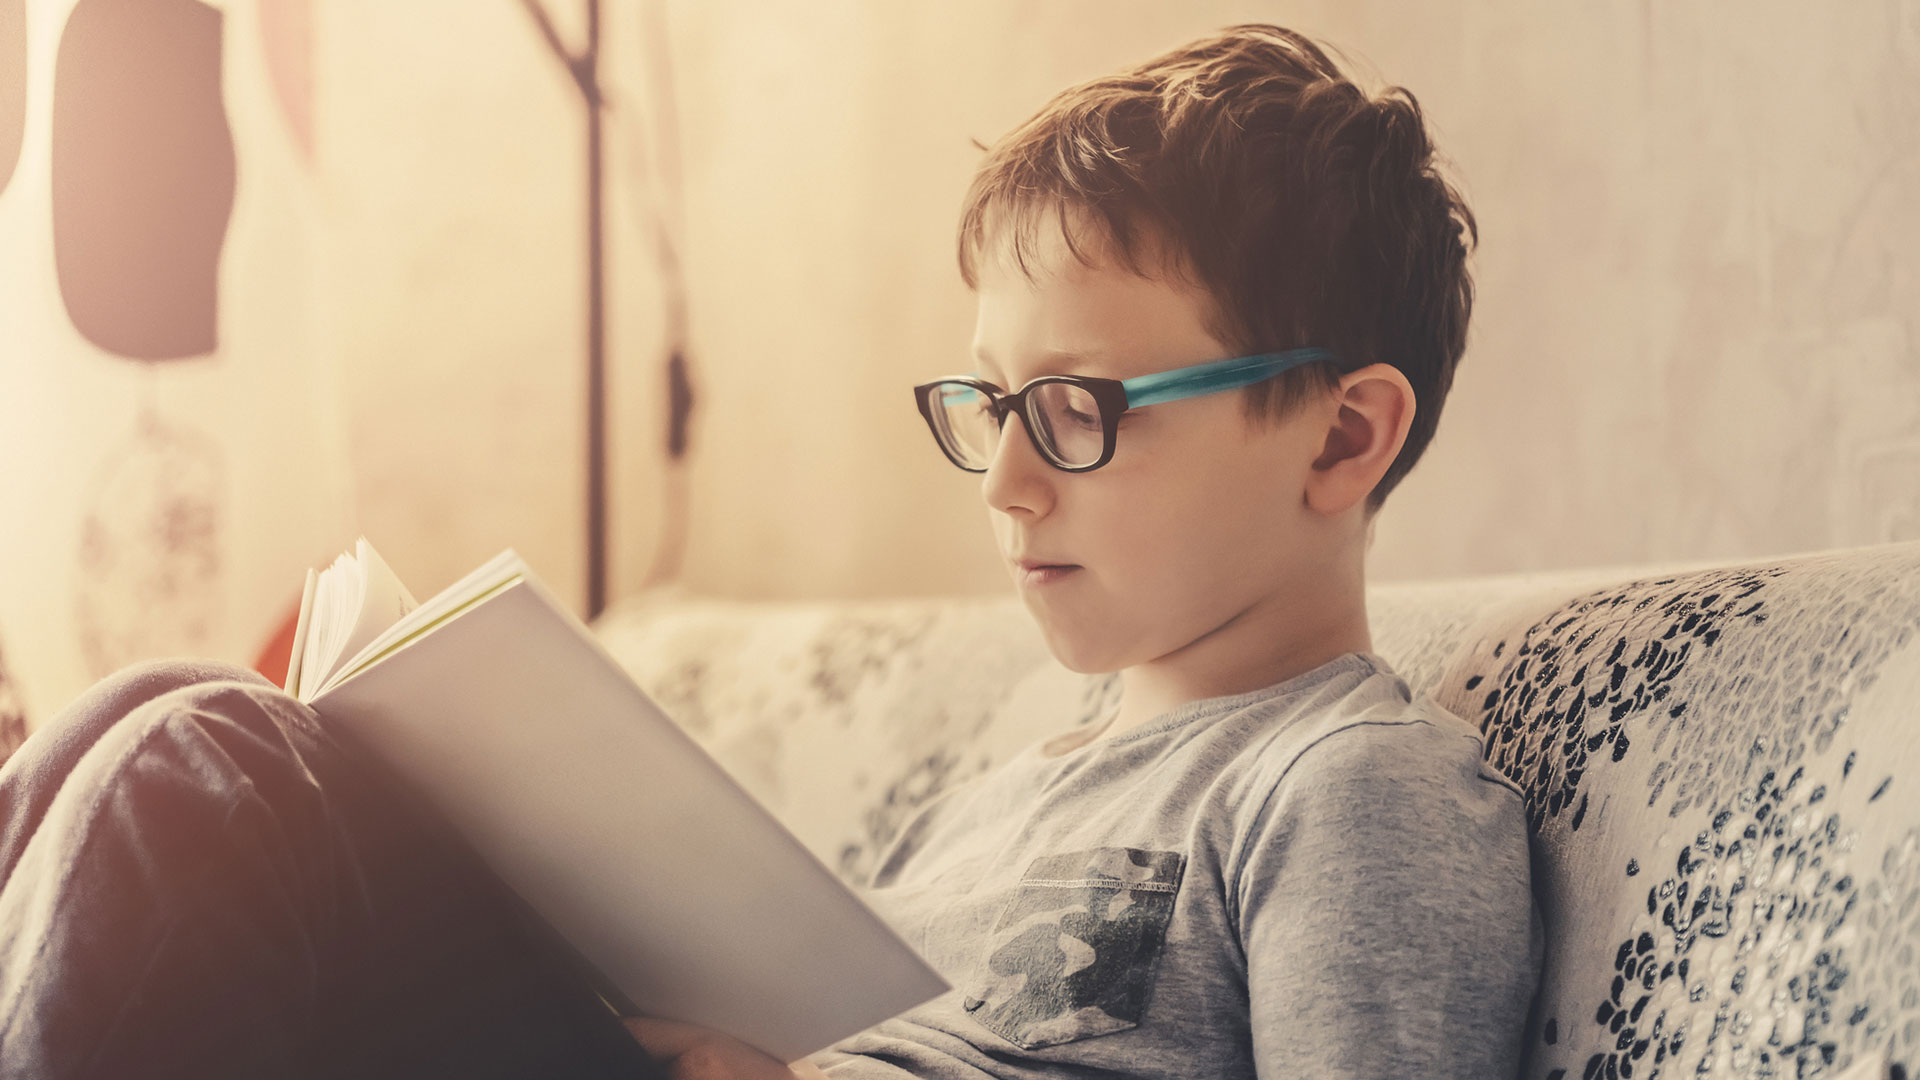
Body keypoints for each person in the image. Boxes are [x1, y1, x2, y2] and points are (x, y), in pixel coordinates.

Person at [0, 22, 1543, 1080]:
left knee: (200, 765)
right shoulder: (1008, 789)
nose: (1005, 482)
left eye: (1075, 409)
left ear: (1343, 438)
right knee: (137, 716)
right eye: (989, 404)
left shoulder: (1351, 790)